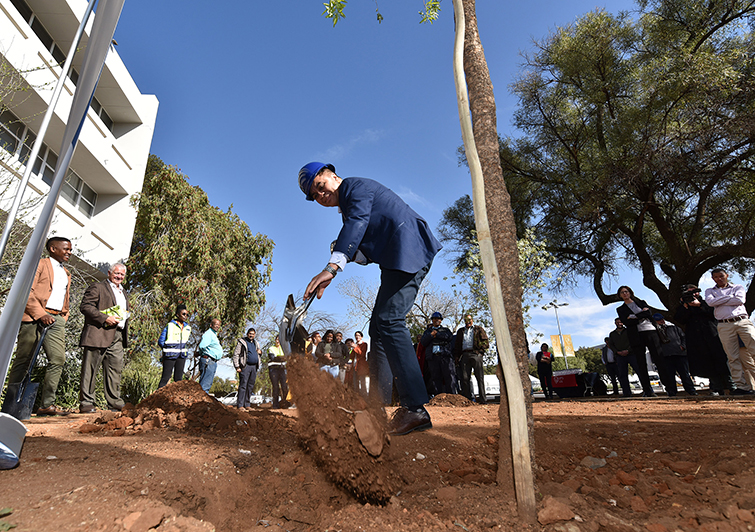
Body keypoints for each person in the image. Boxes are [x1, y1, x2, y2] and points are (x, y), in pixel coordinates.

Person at [300, 162, 441, 435]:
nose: (320, 195)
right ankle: (376, 405)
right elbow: (362, 244)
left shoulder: (355, 187)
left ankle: (415, 409)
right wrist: (348, 254)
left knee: (390, 320)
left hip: (409, 247)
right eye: (314, 196)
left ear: (333, 175)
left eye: (320, 186)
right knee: (378, 326)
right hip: (395, 260)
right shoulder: (350, 211)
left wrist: (332, 268)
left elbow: (357, 223)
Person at [6, 237, 72, 416]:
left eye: (70, 249)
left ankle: (46, 405)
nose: (69, 252)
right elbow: (27, 290)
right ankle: (12, 404)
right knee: (24, 359)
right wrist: (41, 313)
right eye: (65, 249)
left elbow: (64, 297)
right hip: (34, 316)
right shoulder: (40, 265)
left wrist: (63, 316)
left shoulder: (66, 273)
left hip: (56, 318)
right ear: (52, 248)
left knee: (58, 359)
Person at [78, 262, 129, 413]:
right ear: (109, 273)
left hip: (118, 335)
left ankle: (115, 402)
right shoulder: (98, 287)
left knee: (115, 369)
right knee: (90, 369)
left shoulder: (124, 292)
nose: (119, 276)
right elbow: (86, 306)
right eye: (116, 273)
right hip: (98, 333)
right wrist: (105, 318)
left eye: (122, 274)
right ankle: (86, 403)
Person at [675, 284, 735, 396]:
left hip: (713, 334)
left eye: (695, 291)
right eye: (689, 292)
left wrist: (699, 306)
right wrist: (686, 306)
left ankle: (731, 385)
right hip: (697, 339)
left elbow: (713, 313)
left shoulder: (708, 301)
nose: (693, 294)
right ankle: (715, 387)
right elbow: (679, 319)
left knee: (722, 360)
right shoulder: (684, 305)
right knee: (706, 362)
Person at [704, 268, 755, 395]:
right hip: (724, 324)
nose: (719, 279)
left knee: (753, 349)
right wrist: (729, 298)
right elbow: (710, 302)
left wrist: (719, 300)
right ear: (713, 279)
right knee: (732, 357)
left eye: (721, 276)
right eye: (715, 277)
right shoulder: (709, 291)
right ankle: (741, 386)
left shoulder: (738, 287)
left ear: (726, 275)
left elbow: (740, 300)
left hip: (742, 321)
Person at [616, 286, 673, 397]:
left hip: (650, 331)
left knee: (659, 359)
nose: (625, 294)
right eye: (622, 292)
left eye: (626, 291)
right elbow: (626, 322)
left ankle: (670, 388)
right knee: (641, 363)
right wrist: (640, 315)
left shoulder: (641, 302)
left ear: (630, 293)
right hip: (636, 335)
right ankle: (648, 390)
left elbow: (648, 314)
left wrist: (633, 316)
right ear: (620, 295)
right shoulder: (620, 309)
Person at [653, 313, 698, 396]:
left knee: (684, 374)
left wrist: (683, 347)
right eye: (659, 320)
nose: (661, 321)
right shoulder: (654, 332)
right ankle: (671, 392)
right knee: (669, 375)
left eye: (662, 319)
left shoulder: (674, 328)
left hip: (679, 354)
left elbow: (683, 337)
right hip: (665, 356)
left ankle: (691, 390)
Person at [608, 317, 649, 397]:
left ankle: (647, 390)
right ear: (615, 323)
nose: (619, 324)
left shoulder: (629, 331)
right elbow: (611, 345)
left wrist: (628, 350)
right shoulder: (612, 334)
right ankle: (626, 392)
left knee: (639, 371)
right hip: (620, 356)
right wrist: (617, 352)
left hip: (631, 354)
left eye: (620, 322)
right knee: (622, 375)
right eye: (617, 322)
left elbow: (634, 341)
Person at [453, 314, 490, 404]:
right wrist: (457, 357)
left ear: (472, 320)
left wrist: (480, 353)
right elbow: (457, 345)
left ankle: (483, 399)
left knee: (479, 377)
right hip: (465, 355)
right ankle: (468, 400)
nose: (468, 321)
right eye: (466, 320)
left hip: (476, 354)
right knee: (465, 378)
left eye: (469, 319)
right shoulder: (460, 331)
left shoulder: (478, 329)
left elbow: (486, 343)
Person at [420, 312, 456, 395]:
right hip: (433, 358)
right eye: (434, 319)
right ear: (432, 320)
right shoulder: (427, 331)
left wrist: (438, 334)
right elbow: (423, 342)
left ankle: (452, 396)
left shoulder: (445, 330)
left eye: (438, 319)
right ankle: (438, 397)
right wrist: (431, 335)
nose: (436, 320)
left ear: (441, 321)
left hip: (445, 356)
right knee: (435, 378)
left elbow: (449, 337)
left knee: (449, 376)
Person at [157, 305, 191, 388]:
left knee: (178, 379)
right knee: (165, 377)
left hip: (181, 356)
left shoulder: (188, 328)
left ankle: (177, 399)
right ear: (177, 314)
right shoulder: (170, 326)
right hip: (170, 355)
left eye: (187, 314)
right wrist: (167, 349)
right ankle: (158, 397)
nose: (185, 316)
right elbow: (161, 341)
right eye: (183, 314)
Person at [233, 328, 262, 409]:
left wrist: (260, 353)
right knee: (243, 385)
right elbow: (236, 354)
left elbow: (258, 353)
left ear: (255, 335)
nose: (251, 335)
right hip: (245, 367)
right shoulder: (242, 342)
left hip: (254, 367)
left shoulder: (256, 343)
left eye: (253, 334)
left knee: (250, 386)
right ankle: (240, 405)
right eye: (250, 333)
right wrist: (237, 366)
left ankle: (247, 404)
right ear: (247, 333)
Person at [197, 319, 222, 393]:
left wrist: (199, 353)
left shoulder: (213, 335)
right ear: (211, 325)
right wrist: (204, 354)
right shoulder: (208, 334)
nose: (217, 326)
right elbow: (202, 346)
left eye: (218, 325)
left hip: (211, 361)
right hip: (208, 360)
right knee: (205, 385)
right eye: (216, 324)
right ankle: (201, 402)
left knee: (206, 383)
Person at [268, 335, 289, 409]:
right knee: (276, 387)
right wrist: (283, 357)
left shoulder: (284, 348)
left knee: (284, 387)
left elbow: (288, 357)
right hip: (274, 369)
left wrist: (281, 358)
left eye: (279, 340)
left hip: (282, 369)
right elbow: (272, 358)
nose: (277, 341)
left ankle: (285, 403)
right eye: (276, 339)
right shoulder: (271, 348)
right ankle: (275, 405)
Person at [352, 331, 369, 397]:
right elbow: (351, 356)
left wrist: (355, 347)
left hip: (361, 365)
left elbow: (362, 353)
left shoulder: (364, 344)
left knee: (362, 381)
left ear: (361, 337)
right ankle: (356, 396)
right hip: (354, 364)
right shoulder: (355, 345)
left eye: (359, 335)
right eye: (356, 335)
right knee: (355, 381)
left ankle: (364, 396)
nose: (357, 337)